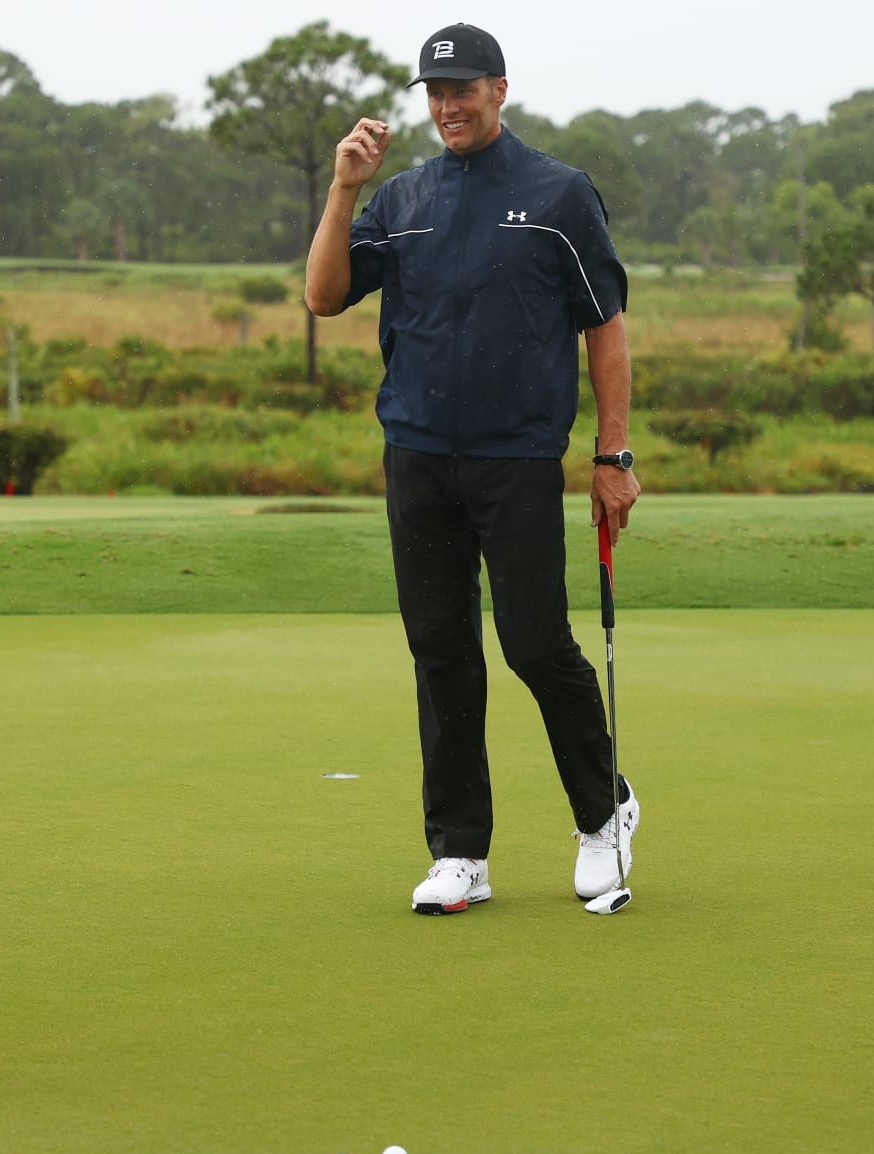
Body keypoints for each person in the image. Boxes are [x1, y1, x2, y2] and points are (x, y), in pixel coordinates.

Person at [304, 23, 643, 915]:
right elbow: (324, 294)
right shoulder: (403, 196)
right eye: (435, 92)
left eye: (463, 90)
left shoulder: (560, 194)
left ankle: (604, 812)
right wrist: (345, 190)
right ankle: (460, 853)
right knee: (441, 650)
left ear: (499, 89)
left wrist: (613, 454)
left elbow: (604, 325)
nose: (447, 106)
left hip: (519, 458)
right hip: (417, 455)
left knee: (535, 644)